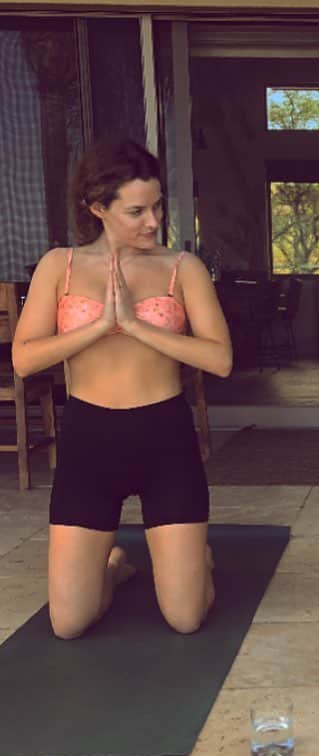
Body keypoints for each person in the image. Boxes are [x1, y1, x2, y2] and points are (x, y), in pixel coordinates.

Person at [12, 137, 233, 640]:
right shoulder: (58, 266)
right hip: (89, 441)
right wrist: (99, 325)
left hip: (165, 438)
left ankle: (196, 559)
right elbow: (25, 359)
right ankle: (114, 566)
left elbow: (220, 360)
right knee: (67, 624)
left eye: (156, 205)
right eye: (136, 211)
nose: (153, 221)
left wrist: (137, 326)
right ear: (97, 209)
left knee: (185, 618)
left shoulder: (183, 268)